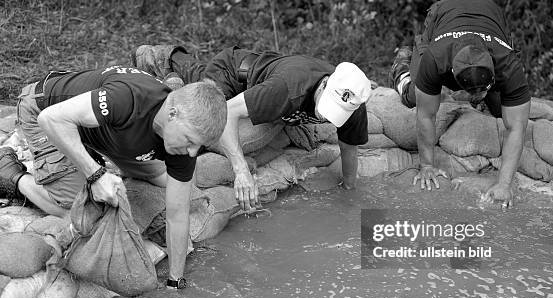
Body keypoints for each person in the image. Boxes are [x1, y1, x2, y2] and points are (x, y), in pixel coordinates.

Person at [0, 66, 227, 289]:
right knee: (81, 212)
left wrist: (175, 280)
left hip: (102, 132)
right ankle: (12, 174)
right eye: (190, 140)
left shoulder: (182, 145)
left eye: (199, 146)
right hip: (45, 111)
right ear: (173, 114)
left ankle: (96, 160)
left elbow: (177, 215)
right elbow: (51, 119)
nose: (192, 152)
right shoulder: (127, 99)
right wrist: (96, 175)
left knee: (172, 183)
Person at [131, 45, 372, 211]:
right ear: (325, 85)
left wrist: (349, 193)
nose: (324, 115)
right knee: (204, 120)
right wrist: (241, 171)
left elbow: (349, 149)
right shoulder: (287, 89)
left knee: (200, 77)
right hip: (233, 74)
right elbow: (228, 112)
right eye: (326, 106)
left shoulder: (354, 106)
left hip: (261, 85)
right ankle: (165, 70)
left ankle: (170, 59)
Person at [389, 0, 531, 207]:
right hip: (443, 13)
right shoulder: (436, 58)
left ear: (493, 70)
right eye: (470, 91)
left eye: (481, 90)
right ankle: (404, 62)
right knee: (412, 97)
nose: (475, 97)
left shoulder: (508, 65)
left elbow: (517, 127)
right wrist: (427, 166)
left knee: (499, 108)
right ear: (453, 73)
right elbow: (426, 115)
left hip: (489, 11)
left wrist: (504, 184)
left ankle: (486, 92)